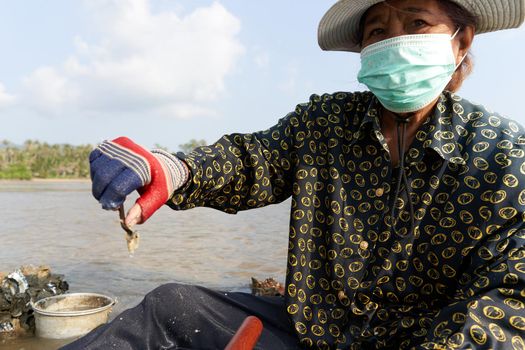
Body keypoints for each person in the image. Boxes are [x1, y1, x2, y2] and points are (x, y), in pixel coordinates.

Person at [62, 0, 525, 349]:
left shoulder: (505, 155)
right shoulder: (325, 122)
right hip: (314, 332)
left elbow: (507, 301)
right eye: (377, 30)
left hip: (429, 340)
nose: (393, 40)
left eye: (417, 22)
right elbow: (251, 161)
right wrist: (173, 167)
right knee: (171, 305)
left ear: (461, 41)